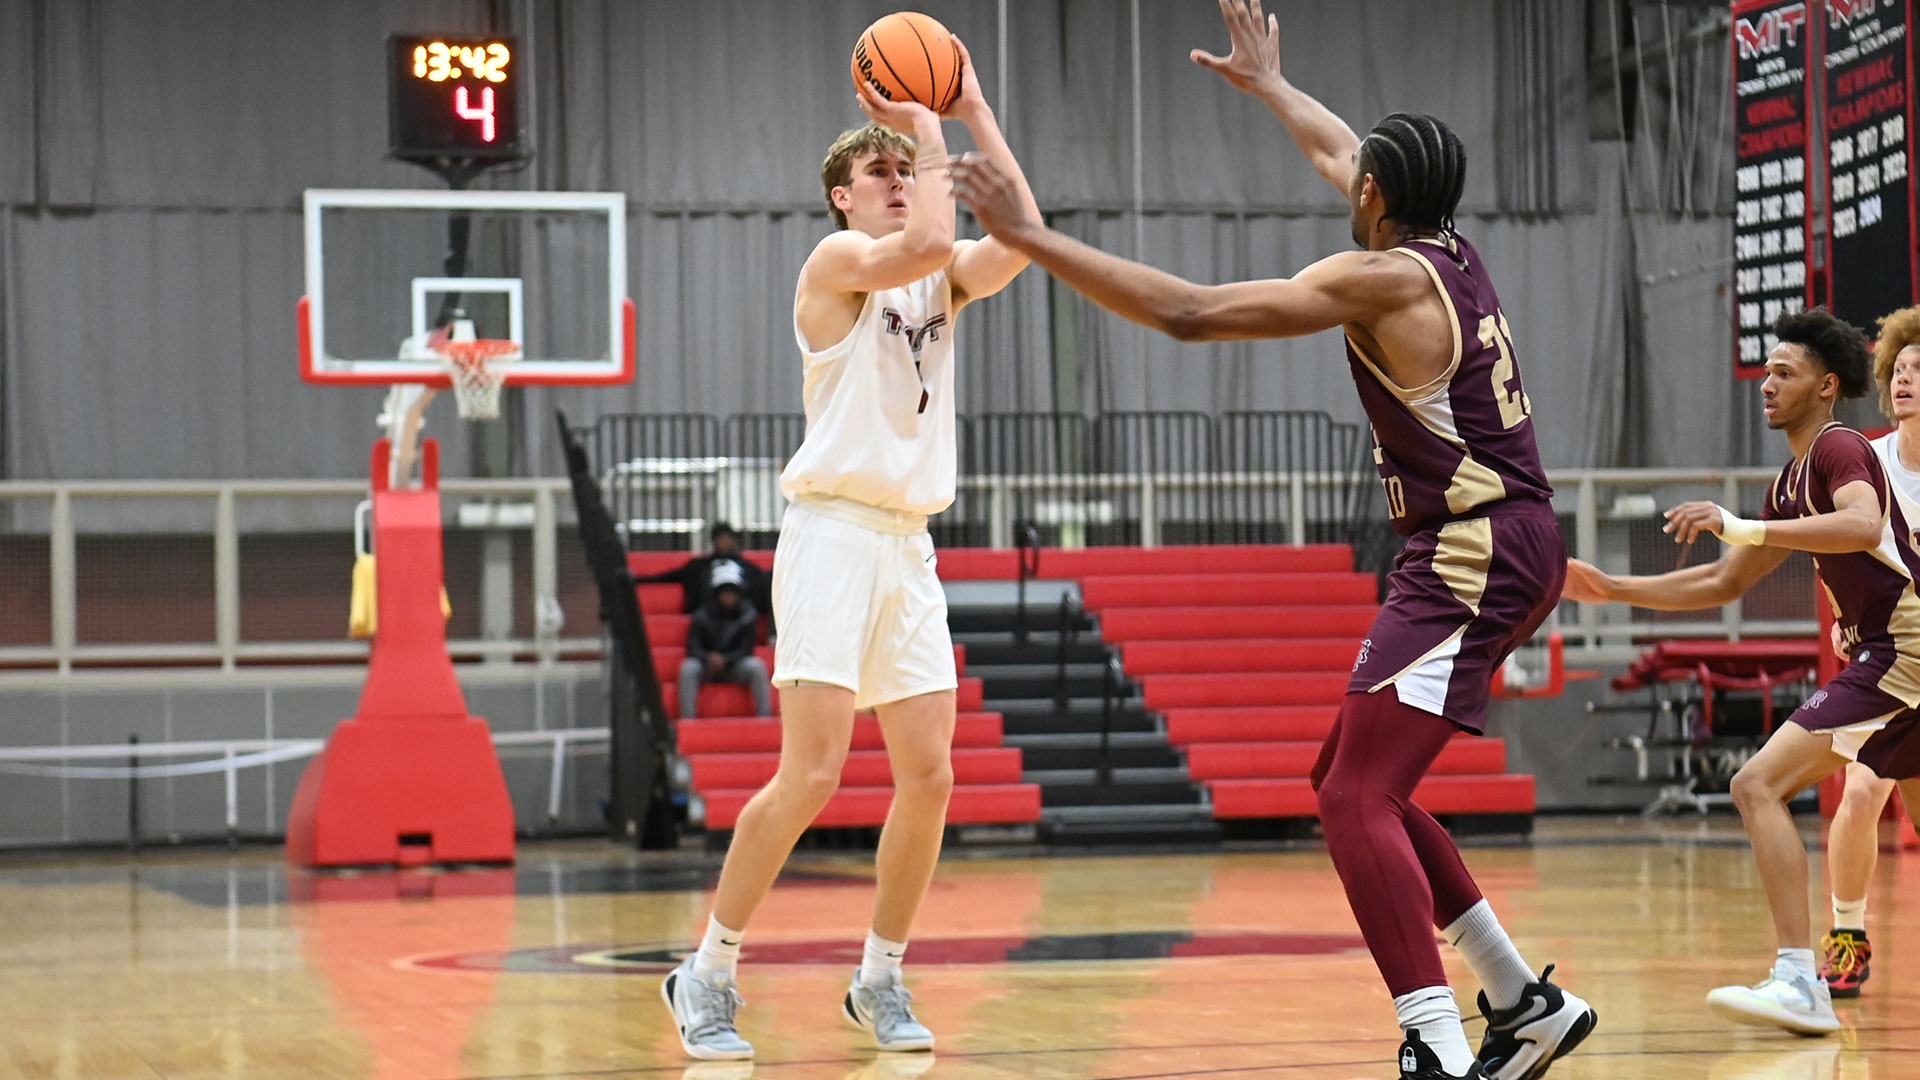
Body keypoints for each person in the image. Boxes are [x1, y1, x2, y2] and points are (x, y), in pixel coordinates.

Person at [948, 4, 1593, 1077]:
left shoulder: (1379, 279)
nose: (1346, 183)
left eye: (1360, 183)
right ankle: (1520, 1000)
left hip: (1474, 548)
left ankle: (1434, 1036)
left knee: (1355, 798)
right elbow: (1344, 150)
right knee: (1348, 775)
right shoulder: (1448, 251)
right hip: (1498, 538)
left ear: (1375, 200)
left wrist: (1029, 240)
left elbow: (1196, 314)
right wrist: (1274, 87)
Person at [659, 37, 1037, 1062]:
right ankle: (709, 971)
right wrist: (923, 130)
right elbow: (921, 246)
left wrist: (973, 107)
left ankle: (880, 977)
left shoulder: (940, 277)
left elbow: (1023, 234)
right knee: (814, 773)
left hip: (908, 547)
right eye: (879, 174)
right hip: (830, 537)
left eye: (905, 173)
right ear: (840, 196)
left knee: (931, 777)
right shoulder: (837, 264)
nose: (900, 182)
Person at [1561, 307, 1920, 1037]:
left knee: (1755, 783)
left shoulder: (1840, 447)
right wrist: (1613, 589)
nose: (1767, 386)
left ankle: (1798, 981)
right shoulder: (1792, 480)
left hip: (1902, 648)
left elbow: (1860, 526)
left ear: (1826, 387)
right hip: (1895, 653)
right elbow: (1723, 585)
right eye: (1764, 374)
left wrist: (1741, 525)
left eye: (1783, 374)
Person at [1817, 304, 1920, 998]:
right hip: (1891, 659)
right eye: (1900, 369)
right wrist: (1844, 620)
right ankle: (1847, 936)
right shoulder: (1870, 461)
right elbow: (1839, 552)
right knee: (1861, 789)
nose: (1906, 379)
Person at [678, 563, 772, 720]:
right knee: (687, 668)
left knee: (757, 666)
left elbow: (747, 648)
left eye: (732, 592)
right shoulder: (701, 615)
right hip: (705, 664)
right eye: (725, 592)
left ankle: (764, 717)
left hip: (735, 665)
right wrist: (709, 658)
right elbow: (692, 647)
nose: (728, 597)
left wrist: (726, 659)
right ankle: (688, 719)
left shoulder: (748, 616)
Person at [637, 522, 769, 618]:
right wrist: (634, 579)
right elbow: (665, 577)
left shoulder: (747, 567)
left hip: (739, 615)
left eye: (728, 538)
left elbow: (763, 584)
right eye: (721, 539)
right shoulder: (698, 566)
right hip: (706, 614)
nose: (724, 542)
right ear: (714, 541)